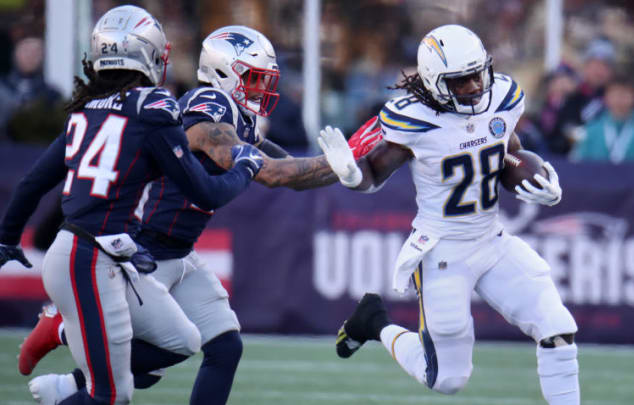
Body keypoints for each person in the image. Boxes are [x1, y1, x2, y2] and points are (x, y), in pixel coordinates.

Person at [13, 25, 382, 405]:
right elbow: (270, 173)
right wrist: (337, 162)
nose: (261, 90)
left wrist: (350, 163)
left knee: (225, 346)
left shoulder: (238, 116)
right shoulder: (208, 104)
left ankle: (70, 378)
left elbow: (287, 171)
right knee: (143, 368)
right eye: (254, 79)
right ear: (224, 72)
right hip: (144, 250)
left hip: (178, 250)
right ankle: (64, 346)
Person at [0, 7, 267, 405]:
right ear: (149, 55)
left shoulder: (86, 111)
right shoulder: (153, 110)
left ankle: (69, 364)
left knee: (184, 342)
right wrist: (245, 168)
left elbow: (34, 182)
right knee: (112, 394)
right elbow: (206, 193)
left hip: (105, 251)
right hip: (94, 255)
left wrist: (7, 238)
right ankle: (69, 361)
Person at [319, 24, 579, 404]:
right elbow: (373, 175)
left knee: (558, 328)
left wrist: (541, 185)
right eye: (461, 81)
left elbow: (508, 153)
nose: (475, 86)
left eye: (478, 74)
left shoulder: (502, 96)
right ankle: (374, 323)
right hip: (442, 251)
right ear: (434, 82)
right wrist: (351, 174)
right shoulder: (415, 119)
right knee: (446, 378)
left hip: (492, 240)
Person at [571, 76, 634, 163]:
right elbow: (577, 162)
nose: (619, 99)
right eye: (615, 94)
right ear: (606, 97)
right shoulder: (590, 131)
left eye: (624, 94)